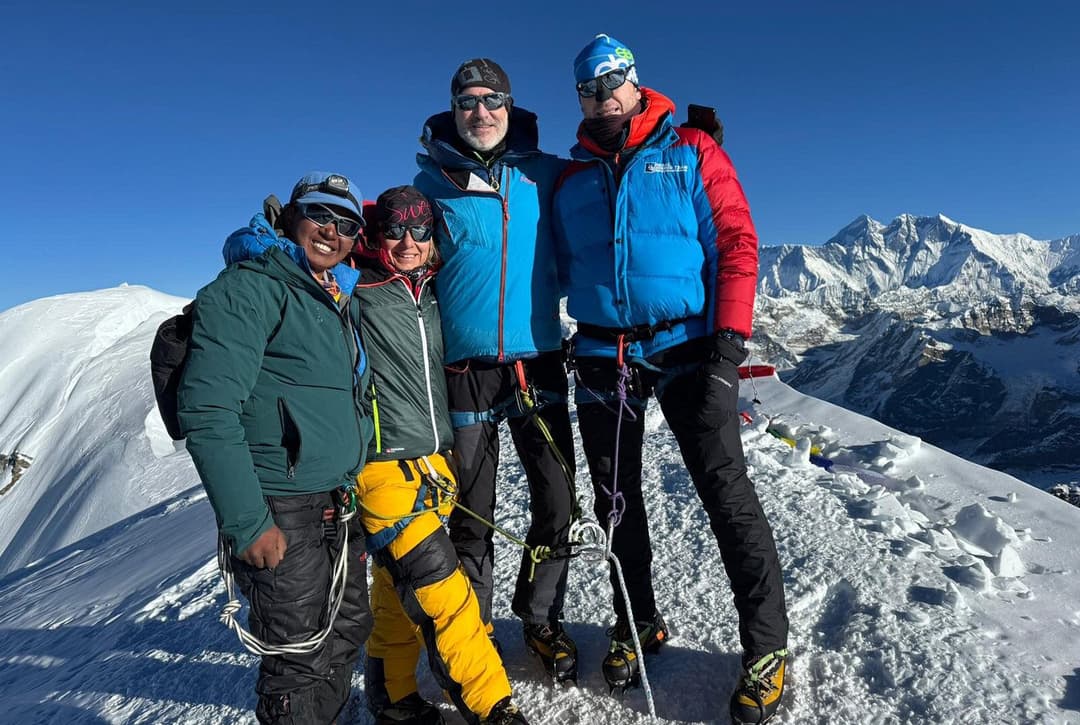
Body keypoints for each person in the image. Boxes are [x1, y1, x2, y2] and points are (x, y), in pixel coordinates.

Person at [552, 35, 791, 724]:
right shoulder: (571, 177)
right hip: (604, 353)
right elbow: (557, 266)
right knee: (615, 501)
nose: (602, 97)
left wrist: (727, 347)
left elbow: (737, 243)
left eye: (612, 82)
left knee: (726, 493)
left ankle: (766, 649)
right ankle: (640, 621)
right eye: (588, 89)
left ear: (634, 81)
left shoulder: (689, 149)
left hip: (688, 345)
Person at [178, 171, 374, 724]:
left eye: (346, 223)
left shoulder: (337, 295)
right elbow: (208, 410)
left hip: (337, 500)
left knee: (346, 626)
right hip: (281, 505)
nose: (331, 231)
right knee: (295, 655)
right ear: (290, 216)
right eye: (319, 214)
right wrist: (247, 522)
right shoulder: (249, 287)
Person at [412, 58, 580, 682]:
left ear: (510, 106)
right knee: (471, 511)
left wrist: (693, 151)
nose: (479, 113)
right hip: (464, 369)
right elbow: (389, 244)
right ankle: (472, 631)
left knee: (557, 501)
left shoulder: (547, 176)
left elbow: (610, 194)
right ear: (453, 111)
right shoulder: (432, 183)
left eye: (490, 100)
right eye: (466, 103)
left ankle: (539, 617)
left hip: (535, 363)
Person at [353, 186, 528, 725]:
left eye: (420, 230)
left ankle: (392, 698)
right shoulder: (355, 292)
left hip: (433, 465)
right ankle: (492, 706)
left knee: (393, 596)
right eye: (395, 230)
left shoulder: (430, 293)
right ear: (376, 234)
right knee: (443, 591)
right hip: (382, 470)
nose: (408, 241)